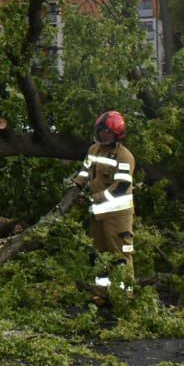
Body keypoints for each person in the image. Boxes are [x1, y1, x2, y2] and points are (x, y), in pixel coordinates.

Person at [69, 110, 136, 302]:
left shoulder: (124, 157)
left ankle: (125, 294)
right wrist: (76, 185)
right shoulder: (93, 150)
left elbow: (121, 187)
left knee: (120, 255)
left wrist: (96, 198)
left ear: (117, 135)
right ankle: (102, 292)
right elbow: (85, 171)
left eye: (107, 132)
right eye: (101, 131)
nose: (103, 135)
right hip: (98, 213)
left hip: (118, 214)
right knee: (97, 254)